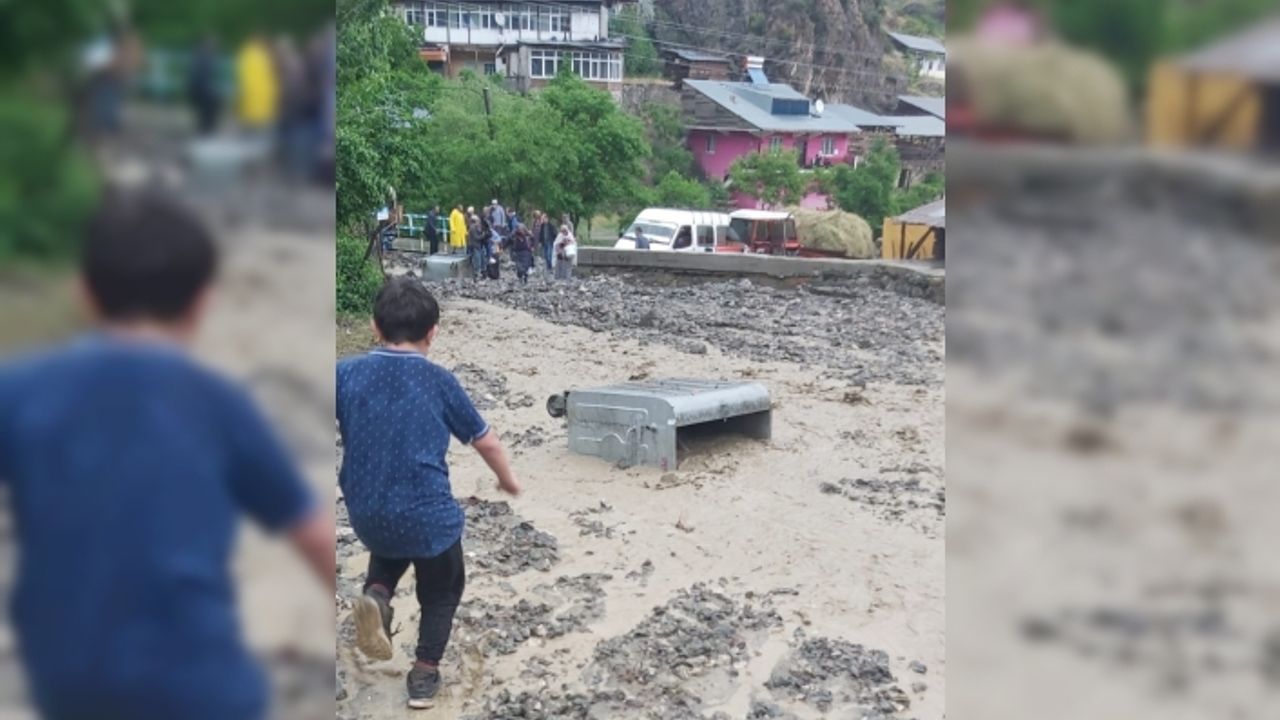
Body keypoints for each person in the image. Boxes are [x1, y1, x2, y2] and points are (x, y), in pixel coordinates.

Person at [0, 189, 333, 720]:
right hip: (201, 687)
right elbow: (314, 535)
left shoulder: (16, 391)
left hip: (68, 686)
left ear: (83, 294)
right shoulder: (220, 404)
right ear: (204, 301)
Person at [337, 278, 520, 709]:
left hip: (367, 513)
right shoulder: (439, 381)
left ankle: (378, 595)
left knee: (389, 543)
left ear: (375, 328)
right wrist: (507, 480)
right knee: (441, 588)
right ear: (433, 332)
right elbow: (486, 441)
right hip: (427, 516)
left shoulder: (342, 373)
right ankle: (423, 674)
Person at [188, 35, 222, 136]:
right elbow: (200, 78)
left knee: (215, 101)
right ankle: (207, 129)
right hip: (198, 89)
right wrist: (211, 90)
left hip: (199, 88)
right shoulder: (204, 57)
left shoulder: (202, 55)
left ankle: (207, 128)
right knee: (212, 102)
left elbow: (206, 78)